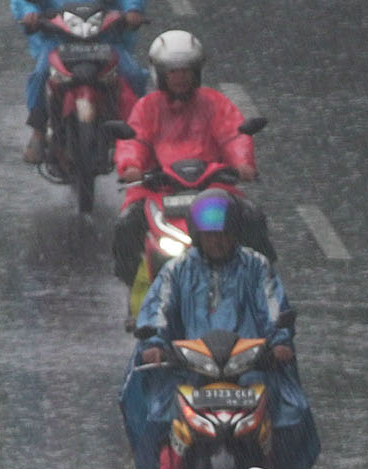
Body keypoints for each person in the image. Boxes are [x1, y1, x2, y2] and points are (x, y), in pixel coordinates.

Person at [118, 189, 319, 469]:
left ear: (236, 233)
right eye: (211, 235)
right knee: (152, 413)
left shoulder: (256, 267)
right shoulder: (177, 270)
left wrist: (279, 342)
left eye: (225, 234)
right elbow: (156, 310)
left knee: (292, 415)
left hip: (251, 370)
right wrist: (155, 345)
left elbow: (274, 309)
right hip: (187, 371)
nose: (218, 241)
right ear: (199, 235)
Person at [109, 31, 273, 284]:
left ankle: (261, 283)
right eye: (173, 71)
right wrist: (131, 167)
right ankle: (134, 288)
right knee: (126, 225)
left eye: (186, 70)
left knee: (252, 217)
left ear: (197, 71)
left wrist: (242, 164)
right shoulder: (147, 107)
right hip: (157, 188)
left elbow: (233, 135)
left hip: (213, 185)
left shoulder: (214, 102)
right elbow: (134, 140)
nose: (180, 77)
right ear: (160, 73)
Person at [16, 0, 149, 164]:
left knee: (133, 75)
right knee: (41, 74)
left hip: (106, 38)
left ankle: (139, 135)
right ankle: (38, 131)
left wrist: (133, 10)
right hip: (58, 39)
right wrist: (29, 13)